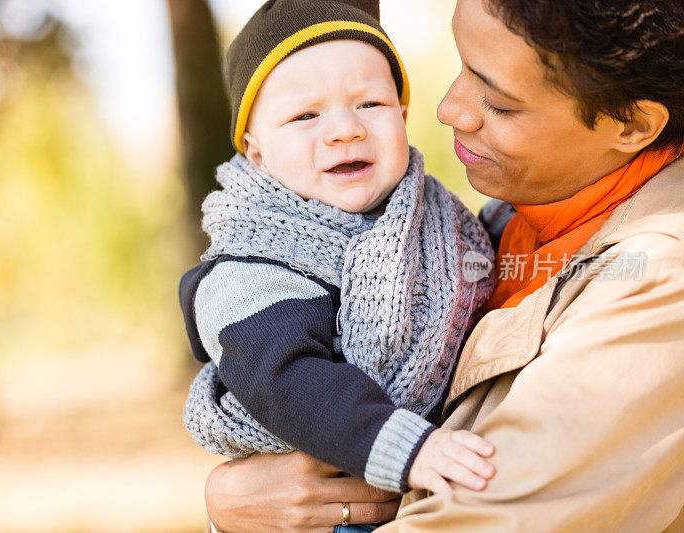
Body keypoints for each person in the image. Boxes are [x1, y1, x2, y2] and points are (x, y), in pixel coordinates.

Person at [201, 0, 684, 531]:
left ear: (632, 124)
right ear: (255, 151)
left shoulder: (654, 278)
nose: (449, 109)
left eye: (498, 101)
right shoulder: (502, 225)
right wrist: (234, 501)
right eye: (460, 64)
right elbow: (279, 371)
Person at [178, 1, 501, 530]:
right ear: (256, 153)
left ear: (402, 117)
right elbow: (285, 378)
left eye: (370, 104)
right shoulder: (250, 270)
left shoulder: (438, 223)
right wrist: (407, 446)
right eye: (306, 115)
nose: (344, 130)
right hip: (329, 497)